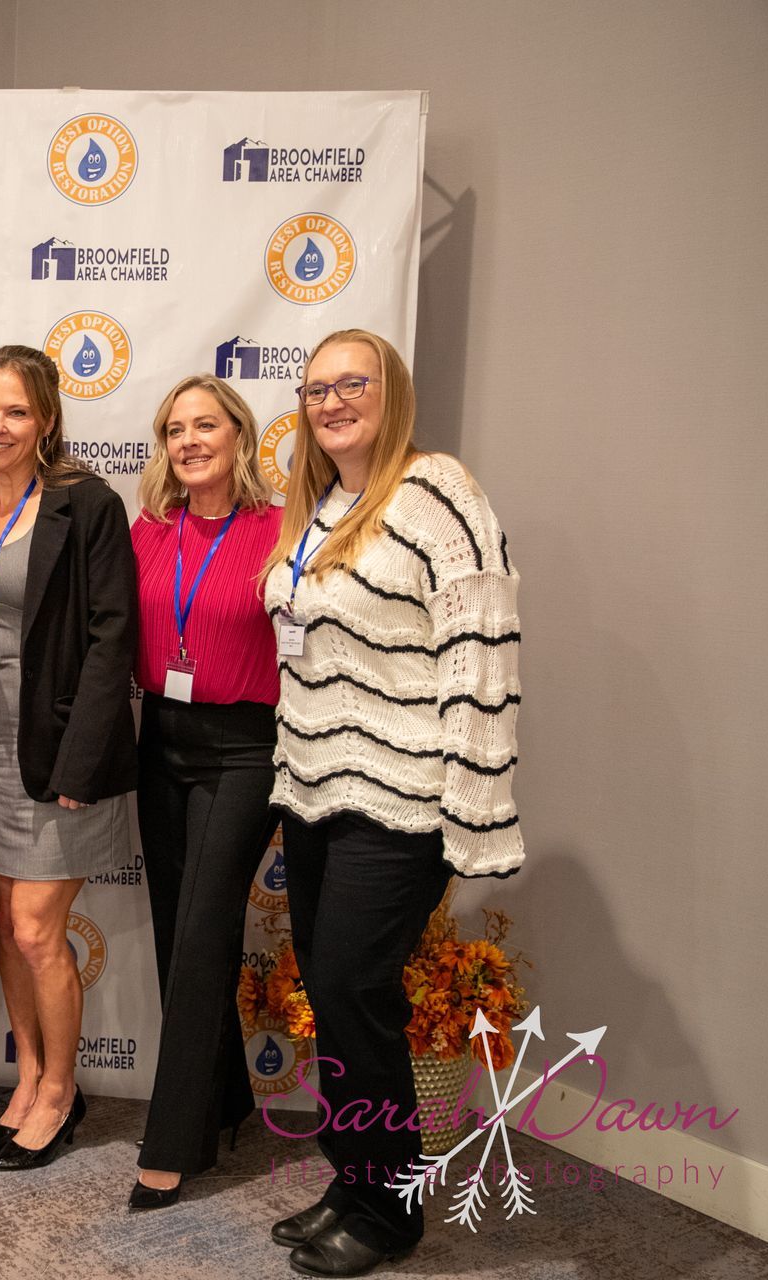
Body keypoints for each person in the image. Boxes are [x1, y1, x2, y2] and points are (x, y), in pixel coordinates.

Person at [261, 329, 522, 1278]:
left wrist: (475, 813)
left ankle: (390, 1209)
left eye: (351, 384)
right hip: (318, 793)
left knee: (352, 990)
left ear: (390, 390)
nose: (332, 402)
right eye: (316, 389)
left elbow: (480, 646)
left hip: (404, 797)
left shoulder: (437, 491)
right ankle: (358, 1179)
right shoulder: (321, 507)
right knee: (334, 1001)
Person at [0, 344, 138, 1172]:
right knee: (5, 922)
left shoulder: (87, 505)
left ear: (47, 419)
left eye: (16, 411)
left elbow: (111, 638)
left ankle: (61, 1092)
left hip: (57, 753)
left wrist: (79, 765)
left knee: (36, 930)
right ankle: (27, 1075)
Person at [124, 375, 283, 1210]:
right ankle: (226, 1098)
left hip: (246, 749)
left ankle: (173, 1139)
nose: (190, 441)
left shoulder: (280, 528)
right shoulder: (149, 529)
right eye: (175, 429)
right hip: (164, 740)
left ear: (238, 435)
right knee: (171, 930)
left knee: (202, 933)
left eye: (205, 425)